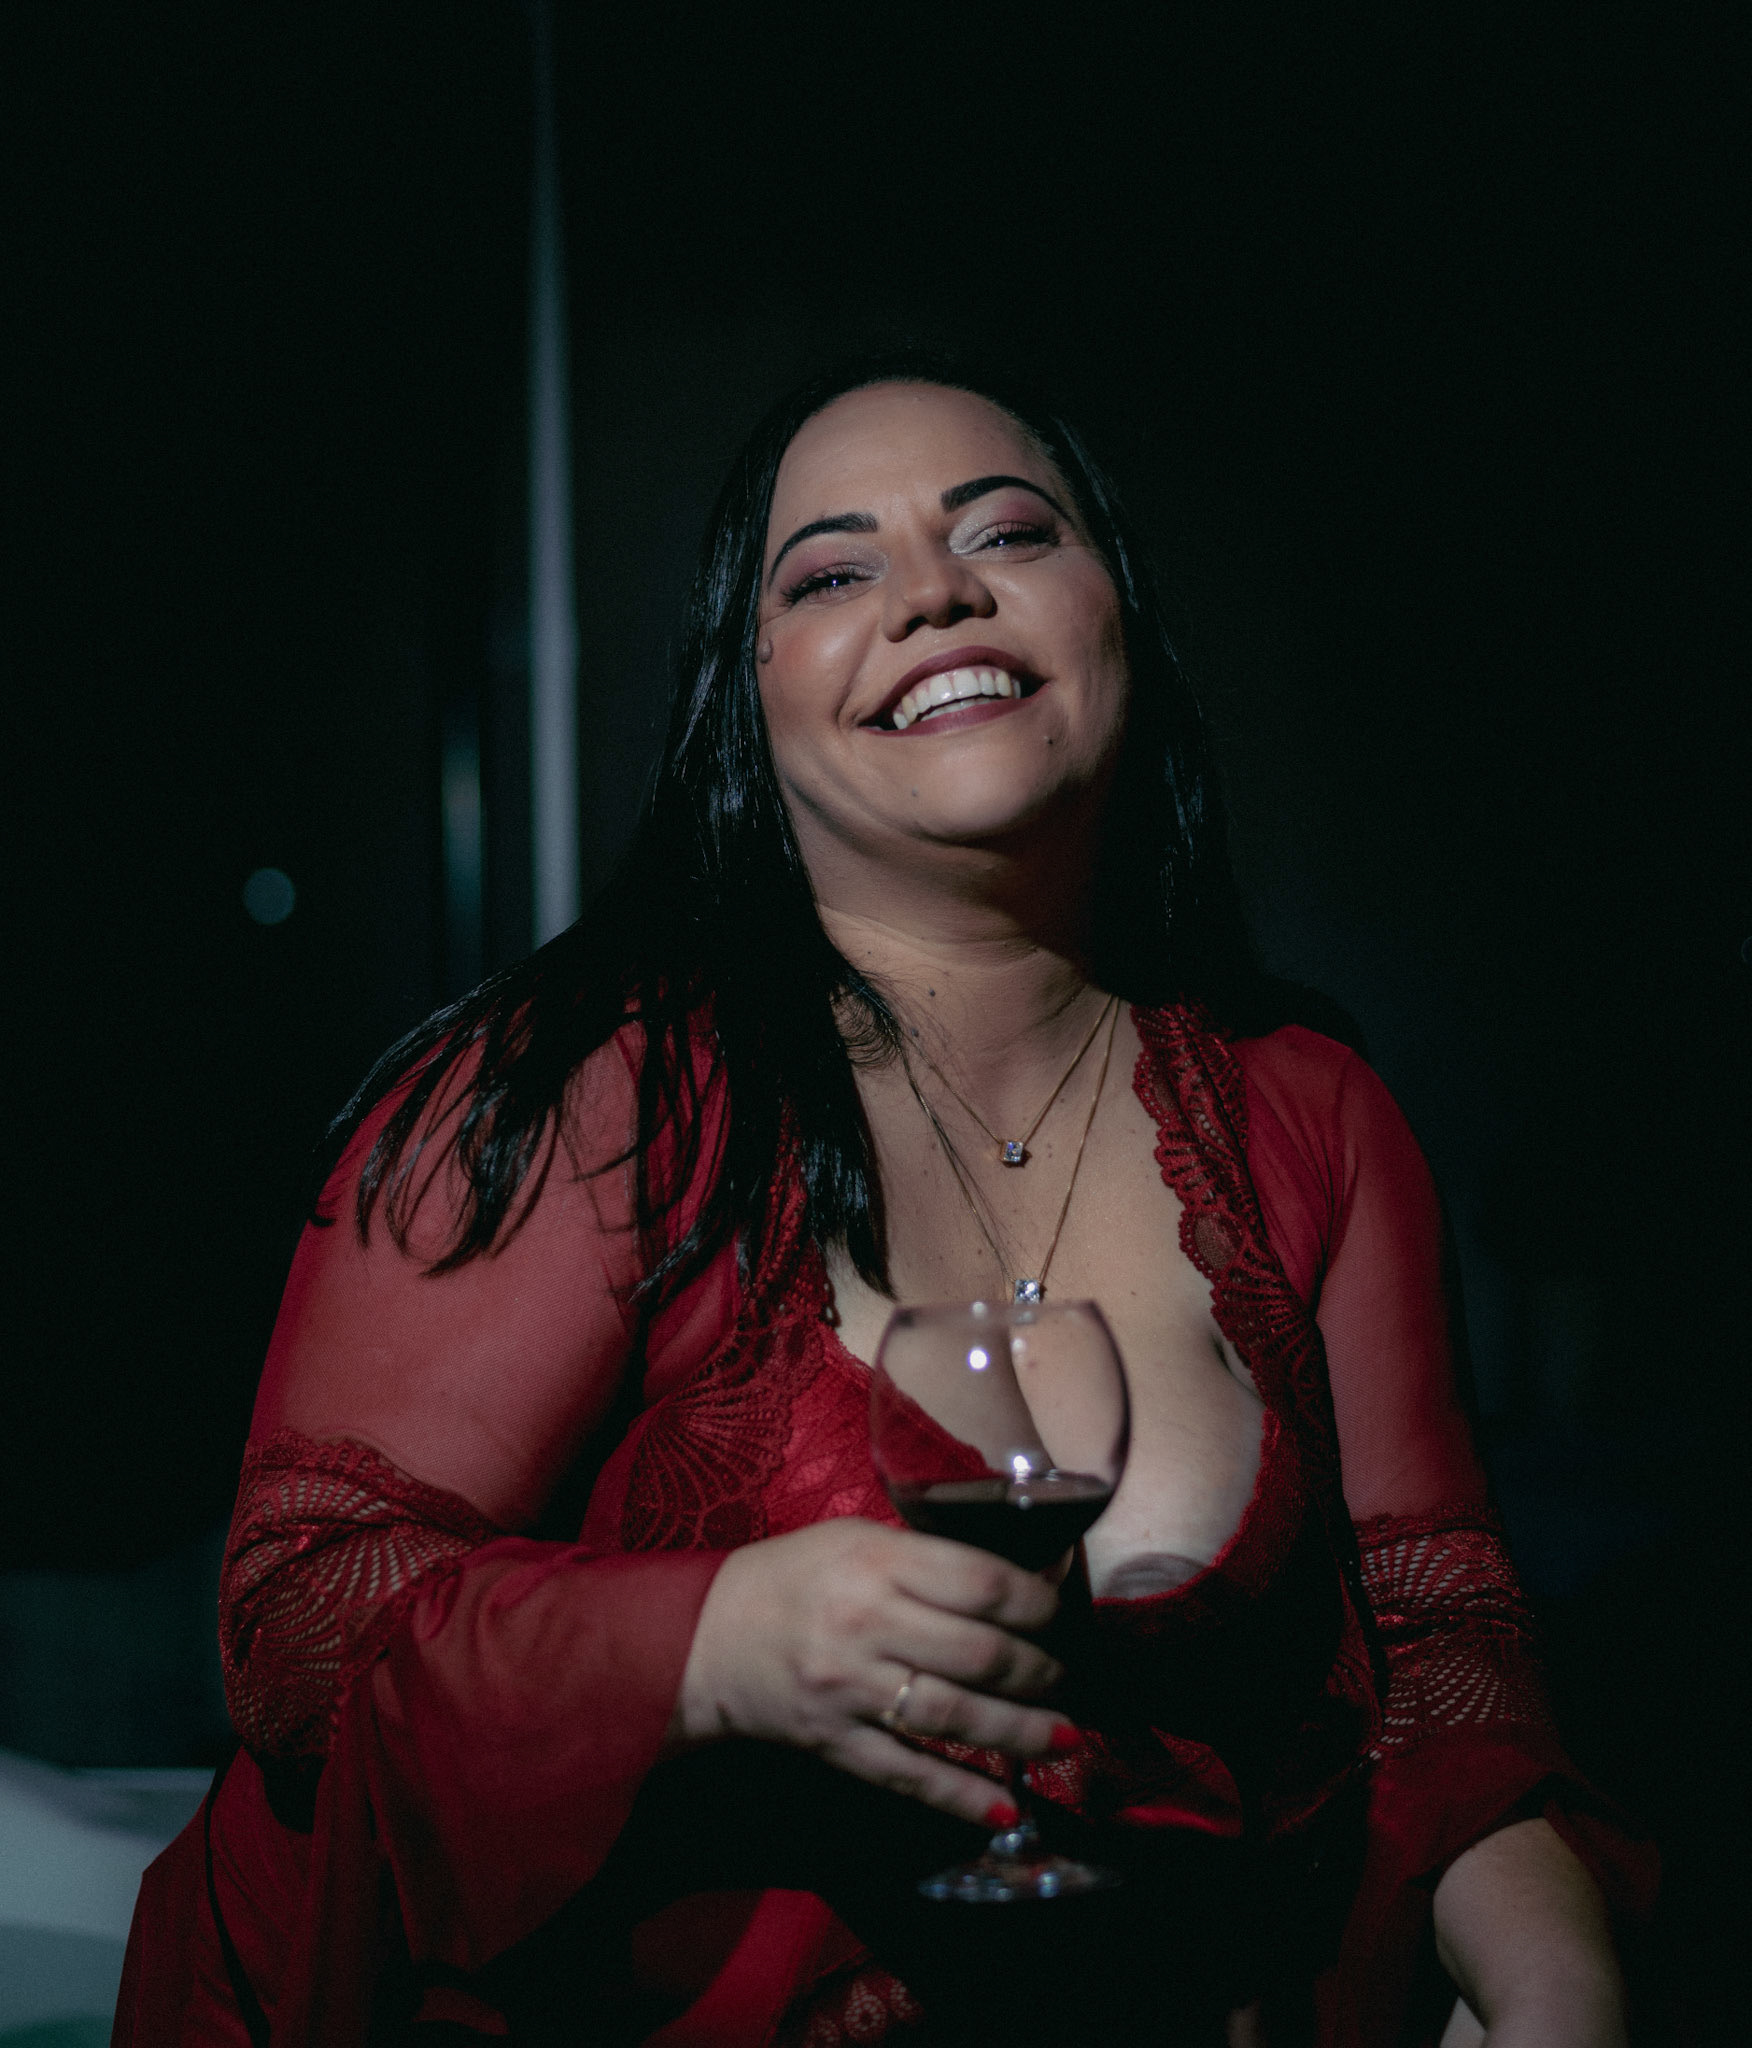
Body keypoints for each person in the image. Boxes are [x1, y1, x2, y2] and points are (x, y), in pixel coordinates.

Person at [117, 355, 1653, 2046]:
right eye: (834, 573)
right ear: (750, 700)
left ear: (1119, 615)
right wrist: (712, 1644)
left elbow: (1443, 1647)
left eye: (1006, 532)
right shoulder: (589, 1094)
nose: (935, 593)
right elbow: (295, 1626)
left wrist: (1555, 1974)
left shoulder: (1316, 1115)